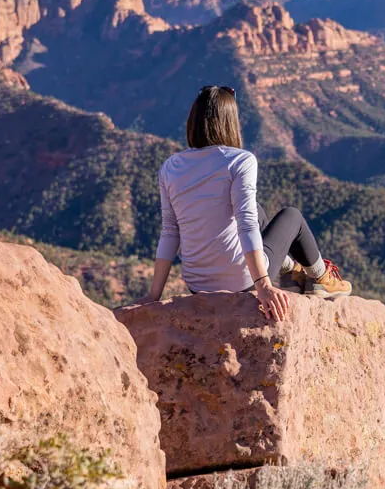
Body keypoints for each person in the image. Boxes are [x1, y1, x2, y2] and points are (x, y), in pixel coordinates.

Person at [134, 85, 351, 321]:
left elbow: (169, 231)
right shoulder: (240, 160)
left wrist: (153, 296)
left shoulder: (170, 167)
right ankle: (320, 278)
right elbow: (245, 224)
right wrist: (264, 286)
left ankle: (292, 269)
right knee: (291, 216)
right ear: (230, 122)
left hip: (197, 285)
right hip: (242, 282)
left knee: (256, 210)